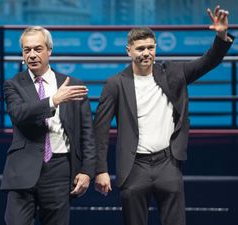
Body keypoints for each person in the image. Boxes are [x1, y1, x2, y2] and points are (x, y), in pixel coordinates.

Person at [93, 5, 234, 225]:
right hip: (134, 167)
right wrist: (100, 169)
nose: (146, 53)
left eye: (150, 47)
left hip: (168, 162)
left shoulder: (174, 73)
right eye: (140, 48)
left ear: (156, 49)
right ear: (128, 51)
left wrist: (221, 36)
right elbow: (100, 131)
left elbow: (209, 61)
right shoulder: (115, 84)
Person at [0, 26, 96, 225]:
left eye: (38, 49)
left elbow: (87, 132)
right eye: (27, 50)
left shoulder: (72, 85)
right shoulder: (13, 84)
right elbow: (19, 114)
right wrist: (53, 100)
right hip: (23, 169)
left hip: (60, 169)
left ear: (49, 51)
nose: (32, 55)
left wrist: (87, 170)